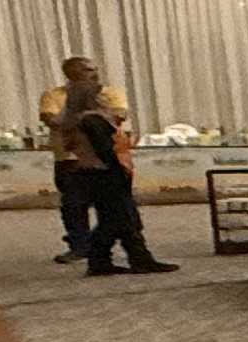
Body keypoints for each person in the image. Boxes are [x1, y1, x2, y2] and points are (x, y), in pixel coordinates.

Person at [54, 84, 173, 276]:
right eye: (100, 97)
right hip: (106, 173)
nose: (106, 100)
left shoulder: (75, 121)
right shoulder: (92, 120)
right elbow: (105, 149)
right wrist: (119, 170)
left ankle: (128, 258)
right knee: (119, 219)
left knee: (119, 218)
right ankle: (108, 258)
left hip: (94, 172)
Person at [37, 56, 127, 262]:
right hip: (69, 159)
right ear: (71, 73)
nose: (94, 73)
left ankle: (100, 247)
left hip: (107, 158)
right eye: (87, 70)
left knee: (112, 206)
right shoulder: (54, 95)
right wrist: (86, 117)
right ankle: (79, 245)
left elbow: (119, 116)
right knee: (73, 206)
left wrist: (78, 118)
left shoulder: (109, 93)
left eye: (93, 69)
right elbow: (51, 120)